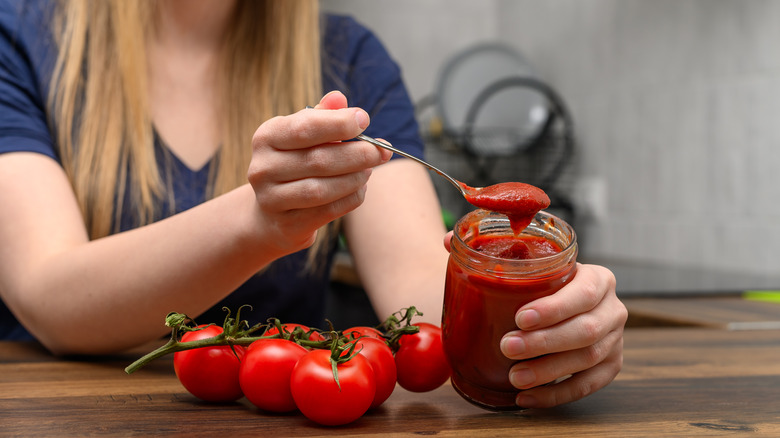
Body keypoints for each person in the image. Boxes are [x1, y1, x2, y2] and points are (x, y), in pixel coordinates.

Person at [0, 0, 626, 408]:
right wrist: (257, 222)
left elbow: (423, 299)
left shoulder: (350, 56)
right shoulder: (19, 37)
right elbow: (49, 295)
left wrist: (553, 320)